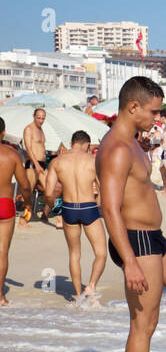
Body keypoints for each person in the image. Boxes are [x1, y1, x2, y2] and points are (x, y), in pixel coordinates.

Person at [97, 76, 166, 352]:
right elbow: (109, 208)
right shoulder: (117, 149)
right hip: (136, 242)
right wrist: (130, 261)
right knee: (144, 324)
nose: (157, 118)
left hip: (153, 237)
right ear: (133, 107)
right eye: (153, 111)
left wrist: (143, 152)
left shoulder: (133, 141)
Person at [44, 131, 107, 305]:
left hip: (69, 208)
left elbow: (48, 193)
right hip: (89, 207)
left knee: (74, 253)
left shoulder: (57, 162)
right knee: (101, 253)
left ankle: (78, 296)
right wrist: (99, 205)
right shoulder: (93, 161)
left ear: (71, 143)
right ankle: (91, 286)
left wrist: (55, 208)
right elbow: (102, 189)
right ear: (87, 145)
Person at [0, 118, 26, 305]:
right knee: (2, 252)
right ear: (3, 133)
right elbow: (24, 185)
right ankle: (0, 296)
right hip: (5, 203)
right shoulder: (11, 154)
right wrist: (28, 202)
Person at [21, 109, 50, 223]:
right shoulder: (29, 129)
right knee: (28, 193)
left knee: (51, 190)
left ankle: (44, 215)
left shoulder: (41, 130)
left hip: (42, 164)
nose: (41, 120)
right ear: (33, 116)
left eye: (43, 118)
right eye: (38, 118)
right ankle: (23, 220)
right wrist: (36, 164)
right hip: (33, 164)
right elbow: (28, 148)